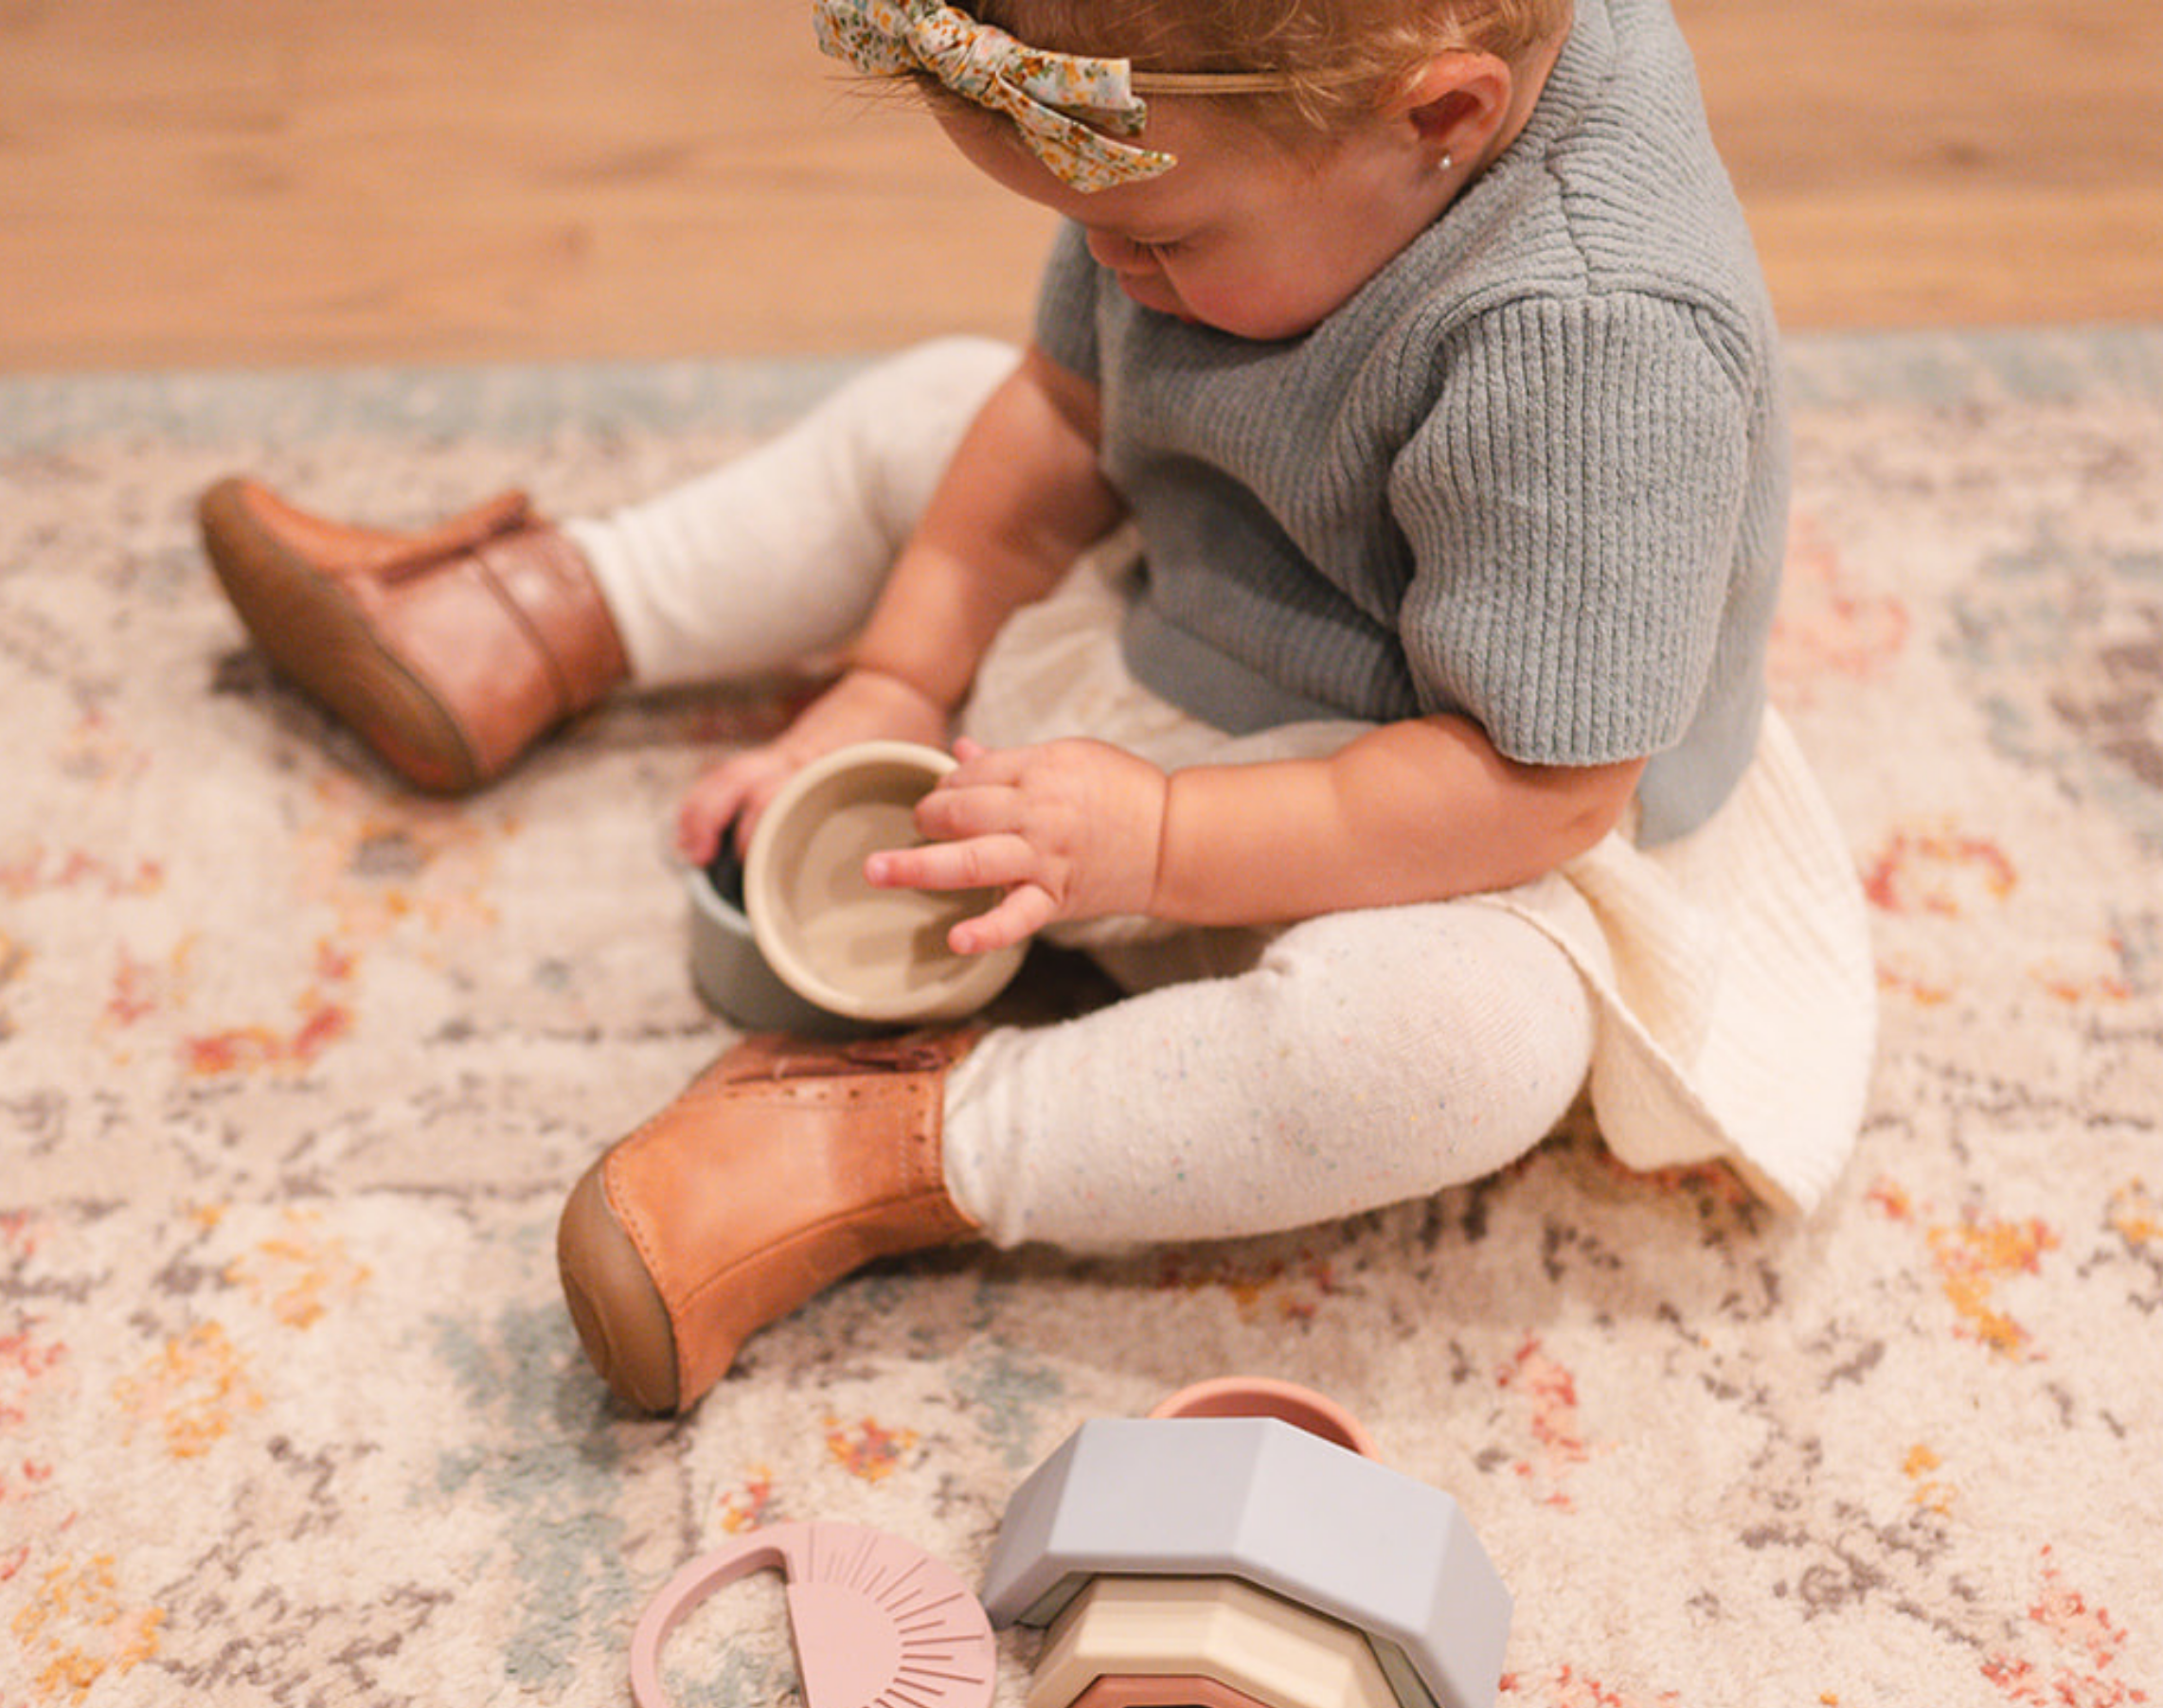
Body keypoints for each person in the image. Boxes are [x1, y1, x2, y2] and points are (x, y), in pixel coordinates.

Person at [199, 0, 1875, 1417]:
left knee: (1471, 1046)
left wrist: (1160, 840)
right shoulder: (1252, 139)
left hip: (1435, 808)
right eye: (1089, 231)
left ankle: (891, 1144)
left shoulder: (1592, 337)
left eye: (1157, 239)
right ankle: (548, 617)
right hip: (1197, 599)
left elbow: (1542, 791)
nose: (1114, 277)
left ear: (1441, 117)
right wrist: (895, 673)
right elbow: (1064, 418)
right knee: (939, 412)